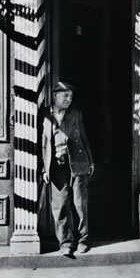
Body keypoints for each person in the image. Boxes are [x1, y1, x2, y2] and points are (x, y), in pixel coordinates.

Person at [40, 81, 94, 256]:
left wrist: (90, 162)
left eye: (71, 96)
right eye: (65, 95)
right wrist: (44, 169)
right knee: (60, 206)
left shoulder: (76, 114)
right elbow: (42, 144)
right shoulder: (45, 115)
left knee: (80, 204)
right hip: (56, 167)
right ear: (55, 95)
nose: (69, 99)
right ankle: (66, 243)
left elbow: (85, 137)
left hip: (78, 164)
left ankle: (83, 240)